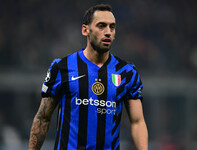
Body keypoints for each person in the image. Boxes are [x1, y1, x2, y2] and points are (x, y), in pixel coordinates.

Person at [28, 4, 148, 150]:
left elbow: (137, 122)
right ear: (85, 30)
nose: (108, 32)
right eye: (101, 26)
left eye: (112, 27)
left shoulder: (127, 72)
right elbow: (43, 118)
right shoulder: (61, 67)